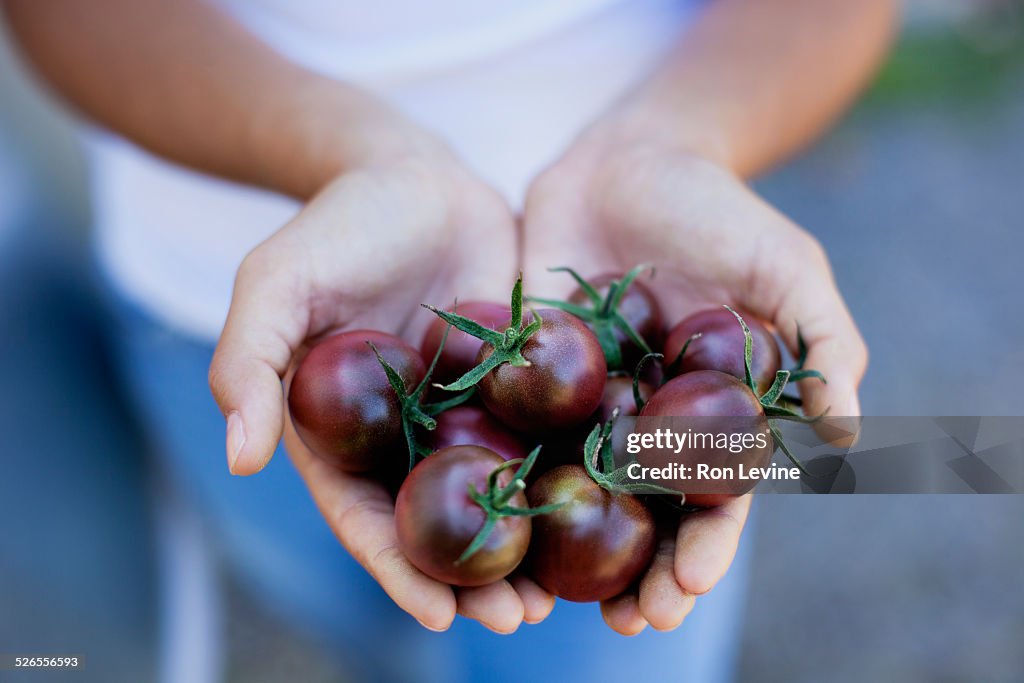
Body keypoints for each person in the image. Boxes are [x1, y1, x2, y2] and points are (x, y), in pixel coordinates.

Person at [4, 0, 892, 680]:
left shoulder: (602, 437)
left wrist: (679, 141)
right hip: (242, 314)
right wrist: (353, 155)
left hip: (422, 308)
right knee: (363, 615)